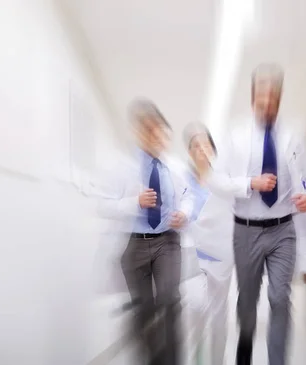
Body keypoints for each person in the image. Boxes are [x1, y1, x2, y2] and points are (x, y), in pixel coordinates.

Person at [205, 63, 306, 365]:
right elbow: (215, 180)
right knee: (247, 302)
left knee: (280, 298)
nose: (267, 102)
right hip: (246, 230)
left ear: (279, 99)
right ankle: (243, 358)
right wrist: (249, 183)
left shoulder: (293, 135)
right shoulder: (236, 136)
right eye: (262, 95)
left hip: (284, 229)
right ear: (252, 97)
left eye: (273, 96)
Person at [96, 99, 195, 365]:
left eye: (159, 130)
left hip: (167, 242)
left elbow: (188, 196)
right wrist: (134, 203)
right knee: (144, 310)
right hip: (135, 243)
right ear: (138, 132)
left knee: (169, 300)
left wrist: (183, 213)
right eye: (148, 130)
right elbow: (102, 205)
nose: (155, 136)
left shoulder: (174, 167)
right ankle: (153, 359)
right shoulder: (120, 166)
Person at [179, 123, 235, 365]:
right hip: (192, 253)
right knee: (195, 309)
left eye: (205, 144)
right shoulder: (183, 181)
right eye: (195, 145)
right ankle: (196, 359)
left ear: (213, 149)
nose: (201, 149)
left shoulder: (225, 180)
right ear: (189, 152)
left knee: (219, 315)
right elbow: (179, 210)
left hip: (221, 255)